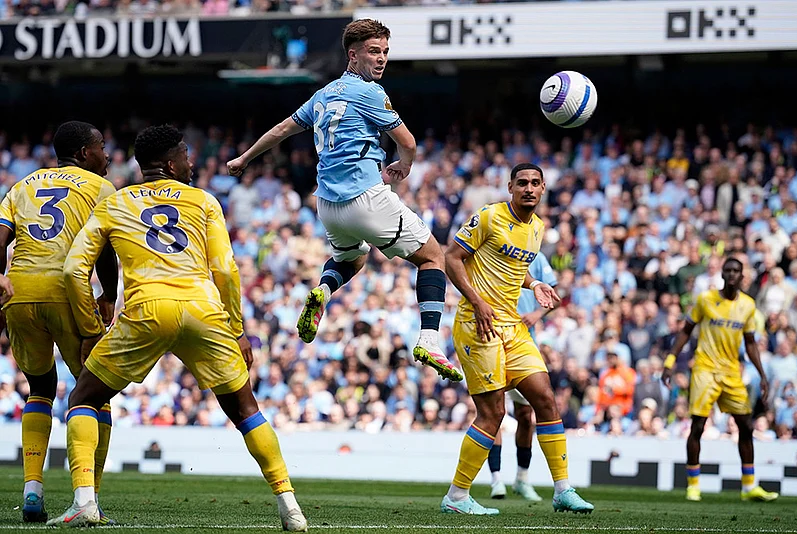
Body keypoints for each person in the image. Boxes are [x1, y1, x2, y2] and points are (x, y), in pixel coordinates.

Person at [47, 125, 308, 532]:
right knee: (245, 410)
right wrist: (238, 329)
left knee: (83, 398)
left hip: (147, 308)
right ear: (170, 164)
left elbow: (72, 269)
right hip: (203, 309)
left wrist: (89, 328)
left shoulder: (116, 203)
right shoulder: (204, 201)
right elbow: (225, 268)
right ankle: (290, 506)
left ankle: (84, 501)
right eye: (186, 156)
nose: (192, 163)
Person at [227, 19, 462, 382]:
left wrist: (244, 159)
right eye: (373, 52)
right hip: (365, 196)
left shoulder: (323, 94)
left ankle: (322, 289)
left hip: (328, 207)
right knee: (433, 257)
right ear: (353, 55)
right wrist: (406, 164)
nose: (382, 59)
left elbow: (282, 130)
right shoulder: (368, 93)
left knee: (353, 259)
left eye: (385, 52)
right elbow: (409, 141)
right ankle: (429, 339)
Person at [441, 163, 593, 515]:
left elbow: (513, 266)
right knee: (493, 413)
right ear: (510, 187)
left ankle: (562, 490)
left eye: (535, 183)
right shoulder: (489, 216)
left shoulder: (537, 228)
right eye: (522, 182)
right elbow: (452, 258)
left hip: (513, 325)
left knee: (546, 399)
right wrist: (477, 301)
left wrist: (535, 283)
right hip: (479, 323)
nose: (528, 188)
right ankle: (457, 496)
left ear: (543, 190)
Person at [0, 121, 118, 524]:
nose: (107, 154)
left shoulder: (22, 185)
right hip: (66, 292)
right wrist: (108, 294)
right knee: (94, 393)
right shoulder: (100, 188)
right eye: (102, 146)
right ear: (85, 153)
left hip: (18, 292)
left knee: (40, 386)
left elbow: (1, 239)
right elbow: (103, 249)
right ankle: (90, 497)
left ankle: (32, 488)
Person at [662, 257, 778, 503]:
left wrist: (762, 373)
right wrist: (670, 361)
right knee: (698, 426)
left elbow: (750, 342)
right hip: (705, 369)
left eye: (737, 271)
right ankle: (693, 485)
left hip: (731, 372)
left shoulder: (748, 306)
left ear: (742, 276)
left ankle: (748, 486)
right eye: (728, 270)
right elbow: (686, 330)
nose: (733, 274)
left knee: (746, 426)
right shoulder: (706, 299)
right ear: (723, 275)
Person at [487, 252, 558, 502]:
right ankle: (496, 479)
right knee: (494, 412)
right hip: (493, 341)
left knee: (526, 415)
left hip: (525, 343)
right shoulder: (492, 250)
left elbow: (554, 293)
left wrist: (538, 314)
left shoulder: (536, 257)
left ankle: (522, 478)